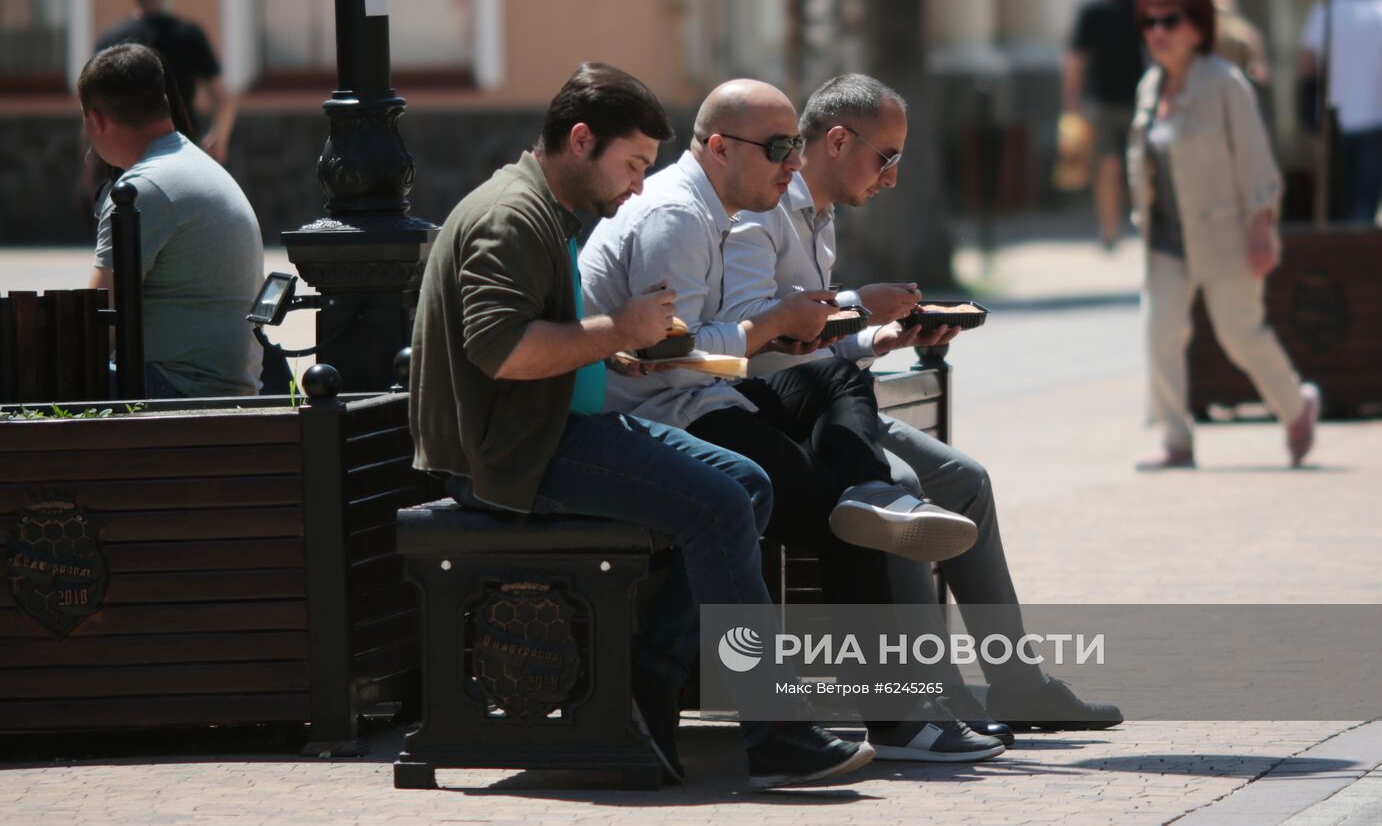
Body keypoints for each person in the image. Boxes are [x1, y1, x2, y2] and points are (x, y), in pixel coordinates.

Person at [408, 62, 873, 789]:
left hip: (550, 428)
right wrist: (616, 328)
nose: (634, 187)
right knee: (719, 501)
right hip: (511, 455)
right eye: (630, 165)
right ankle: (772, 728)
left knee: (746, 484)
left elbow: (553, 342)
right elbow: (505, 353)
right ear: (581, 139)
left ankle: (646, 682)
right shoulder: (511, 216)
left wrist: (620, 345)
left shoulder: (546, 210)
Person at [580, 78, 993, 764]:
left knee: (835, 389)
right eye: (778, 149)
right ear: (717, 147)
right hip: (661, 417)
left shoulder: (708, 210)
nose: (793, 165)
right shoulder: (678, 217)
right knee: (837, 511)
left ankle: (872, 493)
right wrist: (773, 326)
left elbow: (703, 343)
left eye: (793, 148)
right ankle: (884, 720)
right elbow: (664, 356)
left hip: (700, 400)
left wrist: (798, 336)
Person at [720, 73, 1124, 748]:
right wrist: (857, 305)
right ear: (838, 140)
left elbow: (815, 339)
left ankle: (1016, 682)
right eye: (887, 158)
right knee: (902, 492)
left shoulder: (818, 216)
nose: (893, 178)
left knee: (966, 482)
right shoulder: (763, 209)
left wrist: (885, 335)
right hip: (772, 415)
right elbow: (758, 339)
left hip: (826, 405)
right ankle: (921, 701)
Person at [1127, 0, 1319, 469]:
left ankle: (1297, 407)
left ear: (1198, 26)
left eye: (1170, 19)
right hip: (1166, 238)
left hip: (1225, 234)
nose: (1158, 31)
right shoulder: (1149, 86)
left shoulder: (1224, 83)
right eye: (1149, 21)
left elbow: (1257, 161)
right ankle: (1175, 439)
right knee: (1160, 332)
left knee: (1241, 335)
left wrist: (1262, 225)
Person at [80, 43, 264, 398]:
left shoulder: (139, 190)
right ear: (162, 100)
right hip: (226, 388)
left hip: (177, 389)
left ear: (97, 120)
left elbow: (92, 327)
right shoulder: (196, 165)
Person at [96, 0, 237, 162]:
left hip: (128, 157)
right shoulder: (189, 35)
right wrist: (218, 139)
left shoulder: (112, 40)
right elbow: (222, 99)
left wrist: (90, 166)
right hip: (183, 151)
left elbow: (95, 108)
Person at [1299, 0, 1382, 224]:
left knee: (1341, 199)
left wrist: (1309, 112)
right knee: (1367, 200)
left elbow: (1307, 66)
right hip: (1377, 115)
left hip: (1335, 118)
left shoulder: (1325, 11)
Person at [1064, 0, 1146, 249]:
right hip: (1139, 97)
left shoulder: (1092, 9)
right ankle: (1142, 224)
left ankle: (1109, 230)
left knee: (1107, 166)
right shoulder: (1139, 7)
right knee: (1140, 165)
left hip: (1100, 99)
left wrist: (1072, 100)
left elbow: (1076, 59)